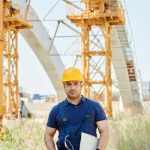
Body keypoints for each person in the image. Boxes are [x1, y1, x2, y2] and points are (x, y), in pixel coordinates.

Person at [44, 67, 109, 150]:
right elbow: (48, 135)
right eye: (68, 84)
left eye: (75, 83)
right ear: (64, 85)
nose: (72, 88)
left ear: (81, 84)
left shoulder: (94, 107)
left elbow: (105, 131)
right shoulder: (56, 110)